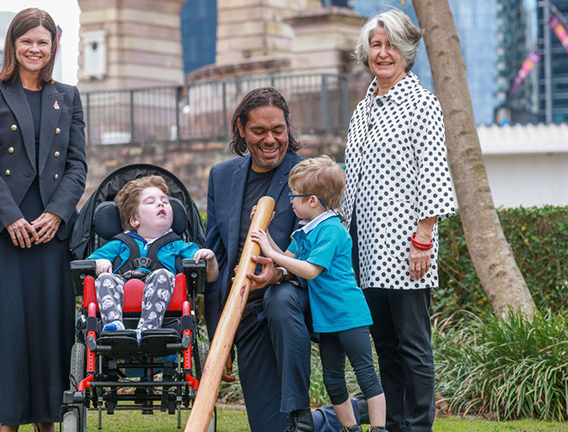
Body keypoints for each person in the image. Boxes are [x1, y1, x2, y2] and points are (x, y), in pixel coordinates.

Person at [0, 8, 87, 432]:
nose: (35, 49)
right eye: (27, 41)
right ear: (13, 45)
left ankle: (48, 419)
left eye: (42, 42)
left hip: (51, 231)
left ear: (53, 46)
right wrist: (11, 218)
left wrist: (56, 213)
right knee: (8, 326)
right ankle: (9, 421)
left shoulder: (68, 96)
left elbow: (77, 166)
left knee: (49, 327)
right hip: (2, 229)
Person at [205, 88, 352, 432]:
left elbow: (328, 246)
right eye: (259, 131)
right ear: (241, 129)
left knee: (280, 296)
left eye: (278, 130)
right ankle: (342, 416)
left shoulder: (309, 174)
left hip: (298, 302)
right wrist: (219, 340)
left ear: (288, 127)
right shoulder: (221, 176)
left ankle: (300, 413)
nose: (270, 140)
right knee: (269, 427)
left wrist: (282, 272)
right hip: (247, 311)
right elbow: (216, 260)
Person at [342, 9, 457, 432]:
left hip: (407, 246)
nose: (383, 53)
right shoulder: (362, 109)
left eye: (391, 44)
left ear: (406, 51)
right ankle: (392, 423)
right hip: (365, 246)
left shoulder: (422, 103)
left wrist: (423, 238)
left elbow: (434, 172)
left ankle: (418, 425)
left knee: (413, 345)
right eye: (376, 45)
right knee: (385, 344)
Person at [251, 155, 387, 432]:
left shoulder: (331, 230)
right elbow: (286, 259)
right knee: (333, 380)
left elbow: (310, 270)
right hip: (326, 319)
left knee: (365, 375)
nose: (290, 201)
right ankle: (351, 428)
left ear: (312, 200)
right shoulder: (306, 230)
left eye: (294, 196)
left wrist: (269, 251)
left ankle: (379, 428)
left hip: (349, 315)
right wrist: (264, 233)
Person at [86, 175, 218, 335]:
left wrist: (210, 259)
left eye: (165, 201)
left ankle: (148, 328)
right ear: (135, 220)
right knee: (105, 278)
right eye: (150, 202)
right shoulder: (119, 244)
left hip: (163, 292)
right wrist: (100, 261)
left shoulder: (179, 245)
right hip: (122, 289)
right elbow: (90, 262)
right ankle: (113, 325)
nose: (161, 203)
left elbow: (210, 277)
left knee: (163, 275)